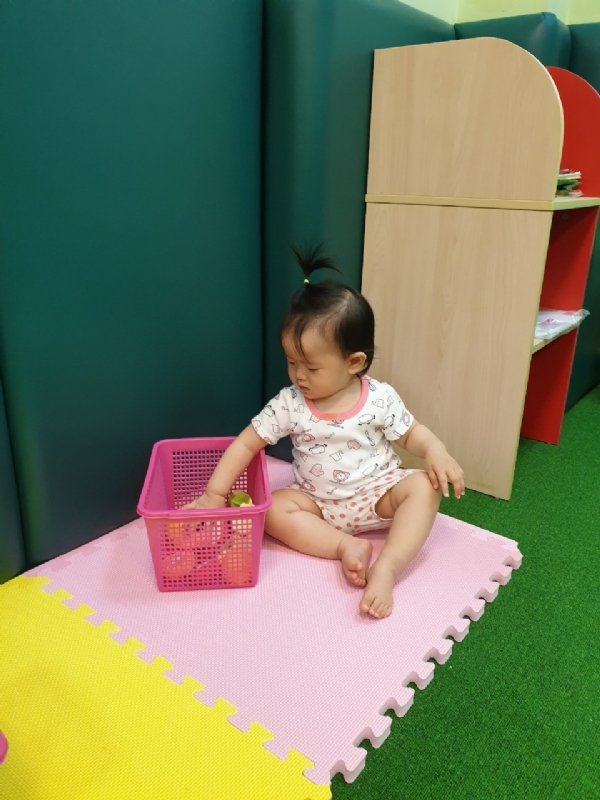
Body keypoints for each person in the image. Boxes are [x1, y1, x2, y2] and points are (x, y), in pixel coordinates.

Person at [192, 245, 464, 618]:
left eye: (311, 367)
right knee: (270, 509)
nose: (298, 375)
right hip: (316, 504)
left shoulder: (379, 397)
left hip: (378, 494)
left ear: (354, 362)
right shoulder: (290, 403)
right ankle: (343, 546)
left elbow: (409, 433)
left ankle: (387, 566)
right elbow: (246, 443)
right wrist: (213, 495)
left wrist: (435, 449)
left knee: (423, 487)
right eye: (291, 362)